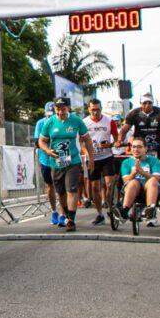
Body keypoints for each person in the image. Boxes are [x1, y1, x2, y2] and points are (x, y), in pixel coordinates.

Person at [38, 97, 94, 231]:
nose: (60, 112)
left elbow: (87, 140)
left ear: (68, 108)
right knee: (61, 192)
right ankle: (67, 215)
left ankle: (71, 220)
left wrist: (91, 159)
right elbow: (41, 141)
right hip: (56, 163)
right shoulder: (50, 122)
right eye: (57, 109)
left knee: (71, 189)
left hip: (73, 161)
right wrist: (47, 151)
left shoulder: (76, 120)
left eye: (63, 109)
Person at [119, 94, 160, 177]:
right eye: (144, 103)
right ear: (140, 103)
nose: (147, 105)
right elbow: (124, 130)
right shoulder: (134, 113)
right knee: (136, 174)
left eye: (149, 103)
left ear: (153, 103)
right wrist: (119, 141)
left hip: (157, 147)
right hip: (140, 148)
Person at [84, 98, 119, 226]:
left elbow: (117, 139)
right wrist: (87, 153)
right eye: (93, 109)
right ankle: (99, 214)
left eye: (98, 109)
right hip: (92, 159)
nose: (95, 112)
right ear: (89, 109)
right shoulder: (84, 122)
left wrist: (110, 144)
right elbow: (81, 142)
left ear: (101, 109)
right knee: (94, 187)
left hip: (106, 157)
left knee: (110, 184)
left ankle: (111, 208)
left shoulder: (109, 121)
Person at [118, 139, 160, 223]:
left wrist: (142, 172)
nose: (136, 149)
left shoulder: (154, 161)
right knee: (133, 182)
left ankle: (150, 211)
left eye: (139, 147)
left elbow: (157, 179)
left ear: (145, 149)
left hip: (150, 189)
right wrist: (133, 173)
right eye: (134, 147)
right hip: (133, 190)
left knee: (152, 180)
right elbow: (125, 181)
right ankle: (124, 211)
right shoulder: (126, 162)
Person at [33, 102, 63, 226]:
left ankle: (63, 214)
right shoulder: (40, 123)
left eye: (52, 115)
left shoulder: (61, 121)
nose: (50, 117)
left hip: (60, 158)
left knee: (61, 187)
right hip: (45, 159)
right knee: (50, 186)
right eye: (48, 115)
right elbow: (36, 142)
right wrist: (47, 143)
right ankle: (54, 211)